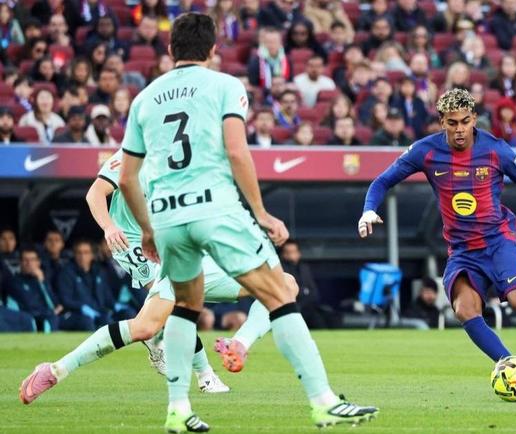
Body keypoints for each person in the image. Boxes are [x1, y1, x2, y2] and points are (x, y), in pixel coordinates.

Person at [117, 13, 377, 432]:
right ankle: (324, 402)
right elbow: (237, 152)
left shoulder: (144, 99)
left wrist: (148, 230)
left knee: (185, 308)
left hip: (167, 217)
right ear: (213, 49)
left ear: (169, 50)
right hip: (215, 209)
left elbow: (128, 179)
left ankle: (178, 410)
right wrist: (260, 212)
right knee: (280, 293)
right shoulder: (225, 85)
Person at [358, 88, 516, 399]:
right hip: (463, 250)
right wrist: (369, 210)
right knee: (465, 309)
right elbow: (382, 181)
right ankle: (515, 374)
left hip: (498, 241)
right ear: (441, 121)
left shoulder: (496, 150)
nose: (459, 129)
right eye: (452, 123)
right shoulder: (424, 151)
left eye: (465, 121)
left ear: (474, 119)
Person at [280, 239, 337, 328]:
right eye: (288, 252)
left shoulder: (304, 268)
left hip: (307, 307)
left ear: (299, 253)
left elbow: (314, 292)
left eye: (293, 252)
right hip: (289, 309)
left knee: (321, 321)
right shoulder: (280, 270)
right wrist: (303, 291)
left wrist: (304, 295)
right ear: (283, 254)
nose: (291, 255)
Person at [7, 246, 63, 332]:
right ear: (20, 262)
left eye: (32, 260)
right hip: (28, 318)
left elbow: (54, 303)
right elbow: (29, 305)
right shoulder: (14, 282)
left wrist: (42, 282)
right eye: (25, 260)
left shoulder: (41, 280)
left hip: (47, 316)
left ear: (38, 262)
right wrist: (51, 312)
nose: (29, 263)